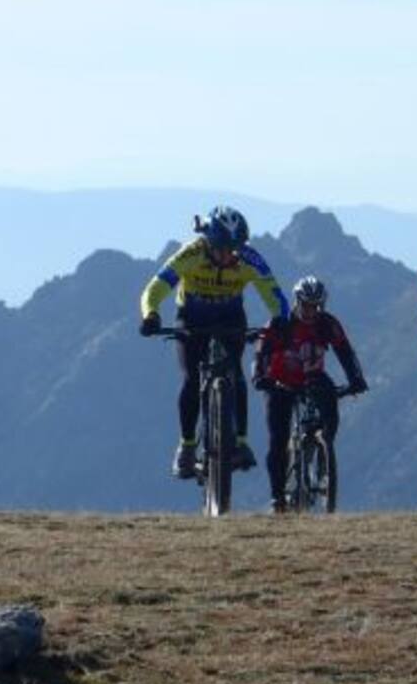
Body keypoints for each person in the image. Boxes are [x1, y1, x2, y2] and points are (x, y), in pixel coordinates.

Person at [139, 205, 289, 478]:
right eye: (221, 248)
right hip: (192, 316)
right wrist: (151, 314)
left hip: (230, 317)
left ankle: (240, 443)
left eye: (234, 248)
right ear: (208, 242)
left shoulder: (249, 258)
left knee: (236, 375)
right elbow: (156, 287)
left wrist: (281, 319)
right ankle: (186, 447)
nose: (229, 255)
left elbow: (273, 292)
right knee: (191, 379)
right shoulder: (191, 254)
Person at [253, 275, 367, 513]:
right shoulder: (280, 322)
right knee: (278, 439)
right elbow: (261, 352)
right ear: (297, 302)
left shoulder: (328, 324)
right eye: (306, 305)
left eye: (315, 306)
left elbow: (345, 352)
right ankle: (278, 498)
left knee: (330, 405)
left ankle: (323, 451)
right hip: (280, 382)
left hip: (313, 378)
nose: (310, 311)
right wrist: (260, 376)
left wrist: (356, 379)